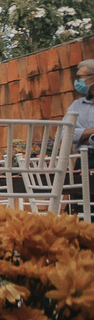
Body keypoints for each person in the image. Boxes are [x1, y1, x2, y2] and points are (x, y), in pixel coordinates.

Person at [66, 58, 94, 215]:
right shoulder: (76, 105)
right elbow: (64, 134)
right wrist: (91, 132)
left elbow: (73, 133)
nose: (78, 82)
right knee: (76, 207)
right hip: (83, 159)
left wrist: (81, 134)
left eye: (81, 77)